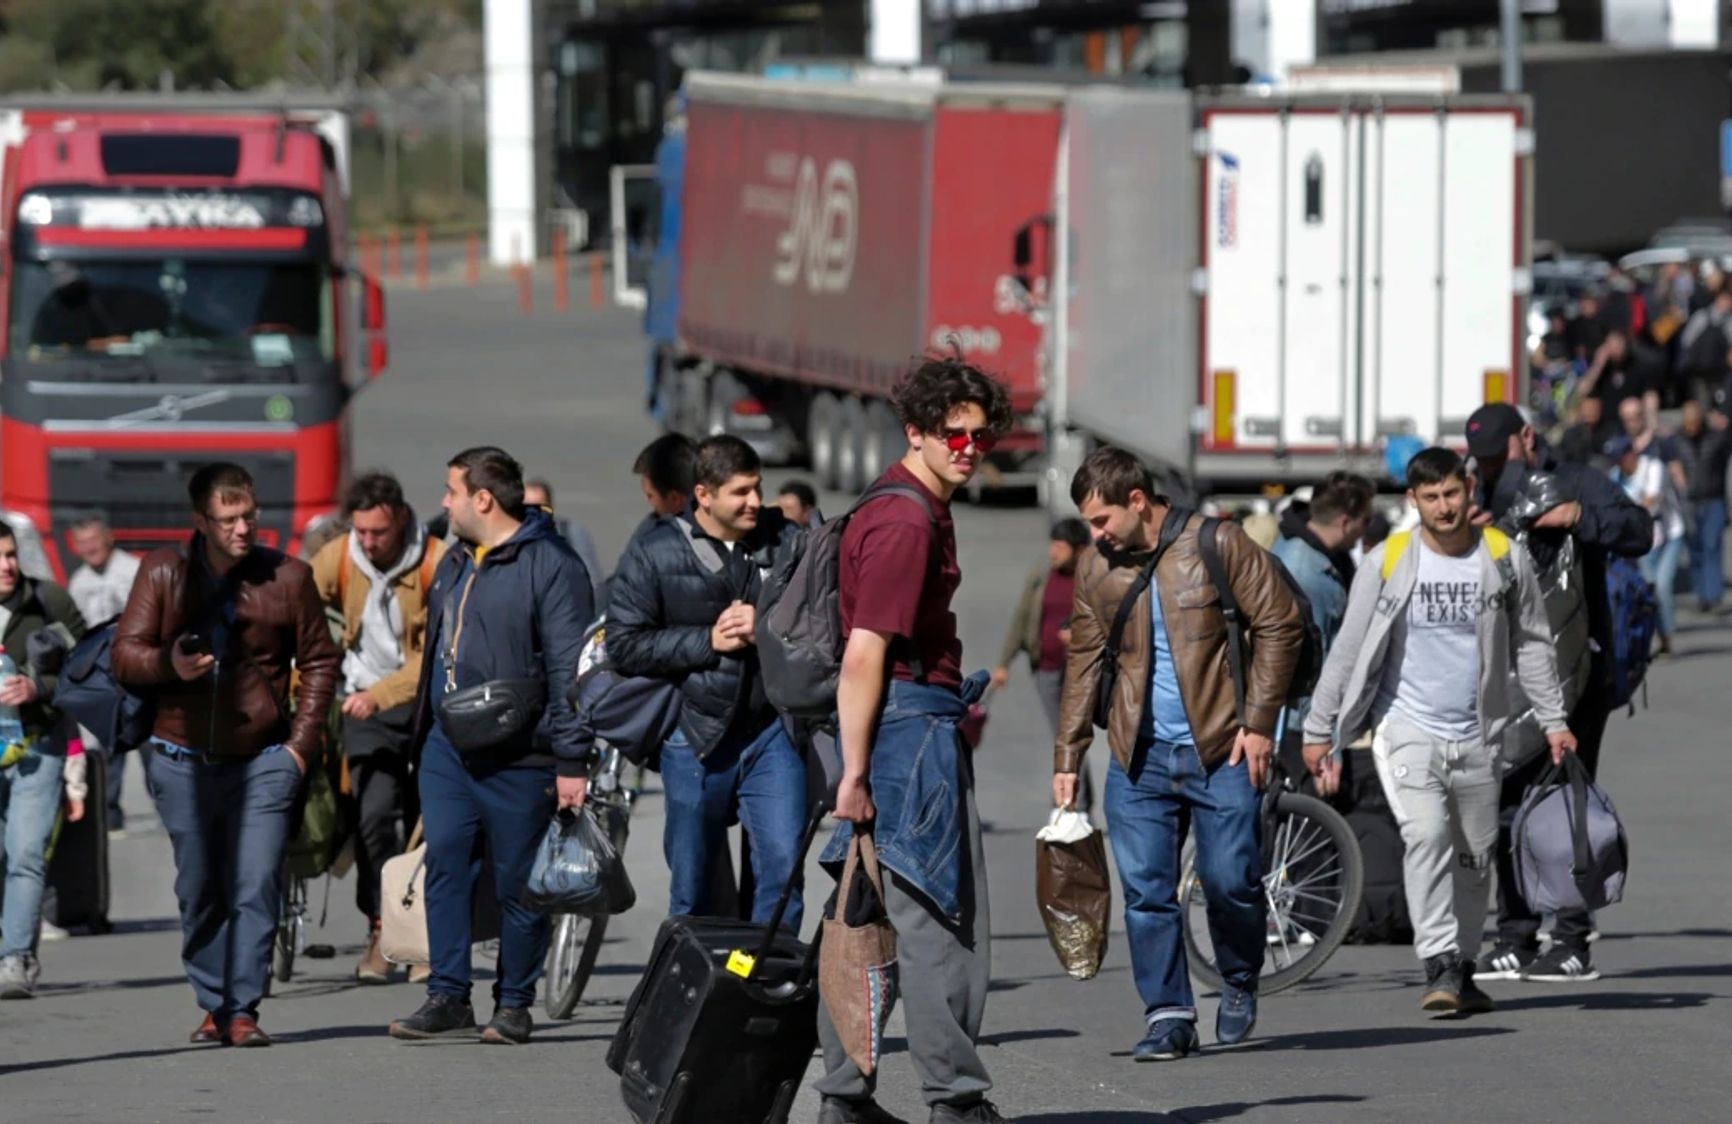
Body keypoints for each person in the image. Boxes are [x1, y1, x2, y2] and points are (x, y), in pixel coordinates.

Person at [1302, 447, 1576, 1015]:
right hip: (1406, 727)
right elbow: (1348, 651)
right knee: (1426, 834)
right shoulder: (1389, 559)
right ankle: (1437, 960)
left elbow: (1531, 643)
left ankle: (1464, 964)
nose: (1444, 507)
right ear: (1413, 501)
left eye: (1452, 494)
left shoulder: (1501, 556)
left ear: (1468, 491)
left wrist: (1554, 720)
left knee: (1476, 858)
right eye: (1431, 497)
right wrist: (1318, 728)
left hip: (1480, 733)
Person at [1054, 446, 1304, 1062]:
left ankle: (1239, 977)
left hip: (1222, 748)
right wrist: (1067, 756)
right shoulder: (1095, 567)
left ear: (1137, 502)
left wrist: (1260, 722)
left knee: (1230, 882)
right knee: (1145, 892)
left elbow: (1280, 622)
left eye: (1102, 519)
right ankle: (1168, 1015)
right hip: (1137, 756)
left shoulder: (1217, 545)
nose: (1095, 535)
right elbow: (1083, 661)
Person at [815, 355, 1012, 1124]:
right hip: (904, 734)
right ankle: (955, 1104)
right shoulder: (905, 520)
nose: (968, 448)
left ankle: (844, 1101)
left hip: (889, 730)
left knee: (862, 918)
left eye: (979, 436)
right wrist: (855, 774)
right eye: (951, 435)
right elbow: (864, 652)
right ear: (916, 433)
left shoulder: (905, 502)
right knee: (940, 924)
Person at [112, 463, 340, 1046]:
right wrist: (170, 665)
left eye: (249, 517)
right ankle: (213, 1001)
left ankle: (242, 1010)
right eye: (228, 520)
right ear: (200, 522)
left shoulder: (288, 577)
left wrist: (300, 746)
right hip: (180, 758)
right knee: (202, 886)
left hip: (264, 757)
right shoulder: (163, 571)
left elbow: (319, 661)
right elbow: (125, 654)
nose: (242, 529)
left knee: (255, 880)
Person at [388, 447, 593, 1046]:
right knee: (446, 862)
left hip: (521, 752)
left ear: (483, 498)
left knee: (517, 880)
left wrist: (571, 759)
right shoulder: (454, 561)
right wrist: (422, 735)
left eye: (452, 491)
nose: (444, 502)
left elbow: (568, 668)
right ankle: (448, 993)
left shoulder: (553, 566)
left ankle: (513, 1004)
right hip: (448, 748)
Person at [1463, 403, 1652, 983]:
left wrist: (1579, 517)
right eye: (1486, 459)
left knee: (1564, 802)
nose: (1495, 467)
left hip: (1576, 674)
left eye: (1502, 454)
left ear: (1526, 437)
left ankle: (1572, 940)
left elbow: (1641, 530)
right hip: (1504, 677)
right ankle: (1516, 935)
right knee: (1503, 806)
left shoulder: (1576, 482)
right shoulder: (1480, 493)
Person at [607, 436, 807, 926]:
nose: (755, 502)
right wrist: (707, 641)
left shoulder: (788, 541)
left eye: (758, 488)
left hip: (771, 734)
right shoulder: (654, 552)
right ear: (703, 495)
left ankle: (762, 984)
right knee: (692, 888)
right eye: (740, 492)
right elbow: (624, 646)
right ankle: (693, 990)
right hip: (695, 737)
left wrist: (765, 625)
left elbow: (825, 619)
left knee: (782, 870)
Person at [310, 471, 445, 985]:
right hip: (362, 708)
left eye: (378, 533)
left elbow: (433, 654)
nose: (367, 542)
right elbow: (299, 605)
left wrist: (381, 695)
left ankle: (420, 938)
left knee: (424, 823)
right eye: (361, 531)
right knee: (373, 820)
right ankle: (380, 928)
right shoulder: (342, 556)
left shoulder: (434, 561)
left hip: (419, 704)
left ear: (402, 520)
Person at [0, 525, 88, 997]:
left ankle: (16, 959)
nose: (6, 565)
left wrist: (40, 688)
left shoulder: (48, 602)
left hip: (39, 743)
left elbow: (89, 668)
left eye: (10, 555)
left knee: (26, 854)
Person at [992, 518, 1091, 802]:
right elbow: (1022, 617)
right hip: (1045, 669)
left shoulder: (1093, 578)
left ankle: (1074, 801)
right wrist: (1003, 663)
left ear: (1079, 550)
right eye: (1052, 545)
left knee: (1071, 736)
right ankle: (1075, 801)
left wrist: (1080, 637)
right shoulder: (1042, 575)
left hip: (1080, 672)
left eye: (1060, 546)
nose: (1053, 552)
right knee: (1064, 735)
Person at [64, 517, 143, 835]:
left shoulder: (133, 570)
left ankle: (170, 807)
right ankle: (110, 812)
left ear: (108, 538)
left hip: (138, 670)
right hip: (104, 674)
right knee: (110, 743)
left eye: (93, 540)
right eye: (82, 543)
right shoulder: (79, 581)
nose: (89, 548)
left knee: (151, 743)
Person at [1607, 435, 1685, 654]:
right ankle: (1660, 637)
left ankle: (1668, 633)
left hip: (1670, 533)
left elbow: (1651, 501)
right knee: (1649, 587)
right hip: (1643, 540)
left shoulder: (1654, 468)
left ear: (1631, 453)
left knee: (1662, 584)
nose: (1620, 463)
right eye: (1616, 460)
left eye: (1621, 457)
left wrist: (1625, 513)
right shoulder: (1615, 477)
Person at [1676, 399, 1731, 611]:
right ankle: (1702, 595)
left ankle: (1714, 594)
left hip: (1713, 498)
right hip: (1689, 502)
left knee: (1712, 545)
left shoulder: (1717, 439)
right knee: (1695, 549)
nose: (1691, 429)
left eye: (1695, 424)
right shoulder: (1677, 441)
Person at [523, 478, 605, 611]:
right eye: (525, 507)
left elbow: (593, 581)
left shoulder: (571, 532)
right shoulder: (507, 538)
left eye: (539, 507)